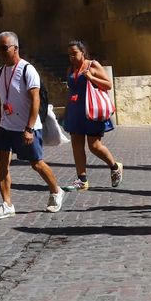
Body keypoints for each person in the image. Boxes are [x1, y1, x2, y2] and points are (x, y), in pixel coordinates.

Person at [0, 32, 65, 219]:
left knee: (36, 163)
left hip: (26, 127)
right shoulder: (0, 73)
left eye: (4, 48)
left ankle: (56, 191)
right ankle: (7, 204)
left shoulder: (27, 70)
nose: (0, 52)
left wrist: (29, 128)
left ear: (16, 48)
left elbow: (35, 100)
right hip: (6, 127)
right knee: (1, 164)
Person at [61, 40, 123, 191]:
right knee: (76, 144)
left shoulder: (92, 65)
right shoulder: (71, 68)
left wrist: (91, 77)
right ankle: (82, 180)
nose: (72, 57)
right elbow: (71, 90)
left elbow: (108, 84)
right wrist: (67, 110)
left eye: (74, 53)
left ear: (82, 52)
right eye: (69, 55)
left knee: (94, 145)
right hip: (75, 111)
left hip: (91, 110)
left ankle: (115, 166)